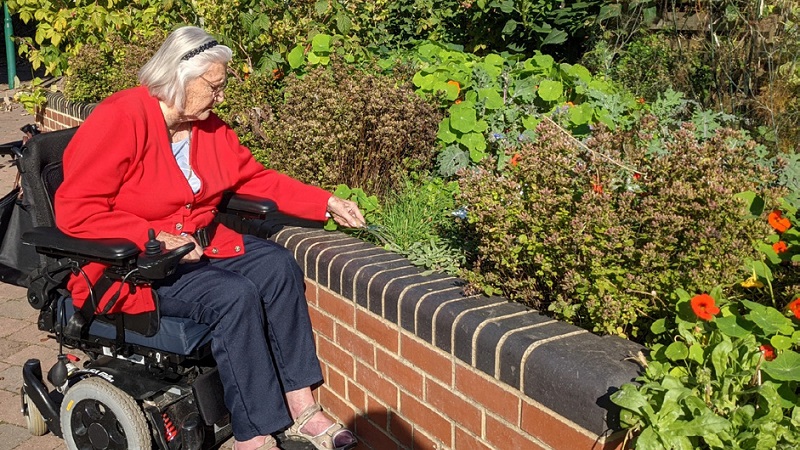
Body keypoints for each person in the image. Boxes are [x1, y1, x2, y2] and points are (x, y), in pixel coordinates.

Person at [54, 26, 364, 450]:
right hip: (133, 266)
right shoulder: (120, 119)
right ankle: (253, 437)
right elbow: (76, 210)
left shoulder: (206, 126)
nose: (221, 97)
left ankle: (300, 405)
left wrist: (325, 201)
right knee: (232, 296)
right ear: (181, 78)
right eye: (214, 87)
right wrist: (153, 236)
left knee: (276, 266)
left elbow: (254, 178)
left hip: (201, 245)